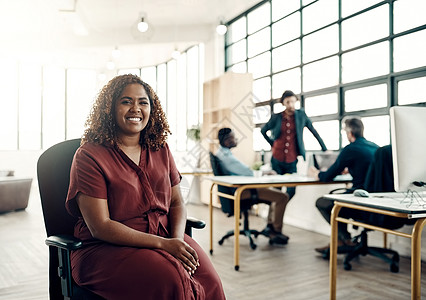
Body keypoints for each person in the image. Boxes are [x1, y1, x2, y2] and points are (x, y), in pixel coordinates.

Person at [65, 74, 226, 300]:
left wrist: (176, 241)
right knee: (174, 281)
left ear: (152, 109)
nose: (135, 108)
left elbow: (177, 203)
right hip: (106, 248)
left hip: (166, 235)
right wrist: (163, 244)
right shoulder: (89, 155)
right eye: (126, 101)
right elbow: (100, 226)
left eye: (143, 102)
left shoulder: (160, 148)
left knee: (210, 281)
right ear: (110, 107)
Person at [308, 117, 379, 254]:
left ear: (350, 133)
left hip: (360, 199)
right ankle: (340, 241)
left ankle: (345, 240)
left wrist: (316, 173)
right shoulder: (375, 147)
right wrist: (351, 169)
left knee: (323, 203)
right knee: (339, 201)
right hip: (377, 200)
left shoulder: (350, 149)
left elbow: (328, 176)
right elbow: (367, 170)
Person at [216, 127, 290, 244]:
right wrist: (264, 172)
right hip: (243, 191)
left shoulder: (221, 154)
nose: (236, 139)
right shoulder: (227, 157)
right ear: (227, 141)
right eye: (234, 137)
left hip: (239, 189)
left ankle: (270, 227)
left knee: (274, 193)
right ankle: (276, 231)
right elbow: (248, 172)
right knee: (283, 197)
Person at [261, 90, 327, 200]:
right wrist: (272, 143)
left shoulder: (301, 115)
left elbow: (313, 131)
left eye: (292, 101)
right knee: (276, 190)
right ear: (283, 103)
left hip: (292, 159)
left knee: (291, 190)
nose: (290, 105)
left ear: (296, 101)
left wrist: (325, 149)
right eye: (287, 102)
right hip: (277, 158)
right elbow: (263, 131)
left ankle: (280, 208)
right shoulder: (276, 117)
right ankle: (274, 215)